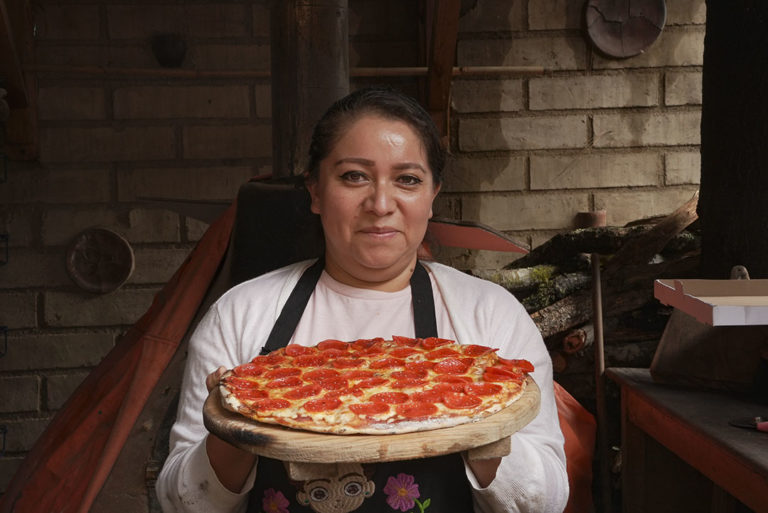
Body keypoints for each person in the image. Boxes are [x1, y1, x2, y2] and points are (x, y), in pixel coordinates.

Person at [156, 87, 569, 513]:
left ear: (432, 197)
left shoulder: (490, 315)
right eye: (354, 176)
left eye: (408, 180)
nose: (380, 204)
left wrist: (485, 423)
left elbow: (545, 503)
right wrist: (234, 429)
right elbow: (180, 503)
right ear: (315, 192)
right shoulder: (239, 313)